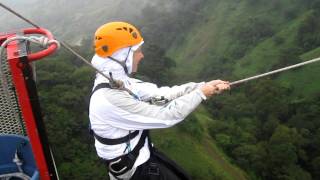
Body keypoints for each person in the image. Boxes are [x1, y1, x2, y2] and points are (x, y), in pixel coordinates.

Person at [89, 21, 230, 180]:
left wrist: (202, 87)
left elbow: (163, 94)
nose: (141, 55)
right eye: (137, 51)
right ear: (123, 56)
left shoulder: (120, 82)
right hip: (136, 172)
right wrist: (201, 94)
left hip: (143, 155)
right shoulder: (110, 99)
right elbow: (166, 116)